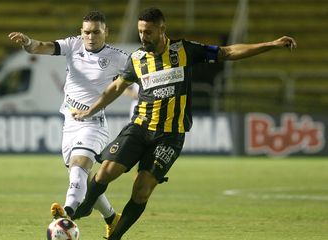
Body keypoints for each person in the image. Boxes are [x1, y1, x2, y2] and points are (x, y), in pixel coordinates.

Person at [71, 7, 297, 240]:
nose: (143, 37)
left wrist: (270, 44)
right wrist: (90, 110)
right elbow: (117, 87)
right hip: (140, 127)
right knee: (106, 171)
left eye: (148, 32)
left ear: (162, 29)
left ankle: (114, 237)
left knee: (141, 191)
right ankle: (85, 207)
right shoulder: (137, 59)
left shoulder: (185, 50)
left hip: (170, 135)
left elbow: (228, 52)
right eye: (140, 32)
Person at [8, 11, 128, 238]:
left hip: (94, 124)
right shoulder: (73, 45)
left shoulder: (118, 58)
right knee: (81, 175)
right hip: (70, 124)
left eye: (96, 32)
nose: (90, 37)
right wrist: (27, 42)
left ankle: (67, 214)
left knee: (78, 168)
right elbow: (40, 47)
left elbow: (140, 74)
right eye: (86, 32)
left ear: (106, 32)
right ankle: (112, 218)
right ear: (80, 32)